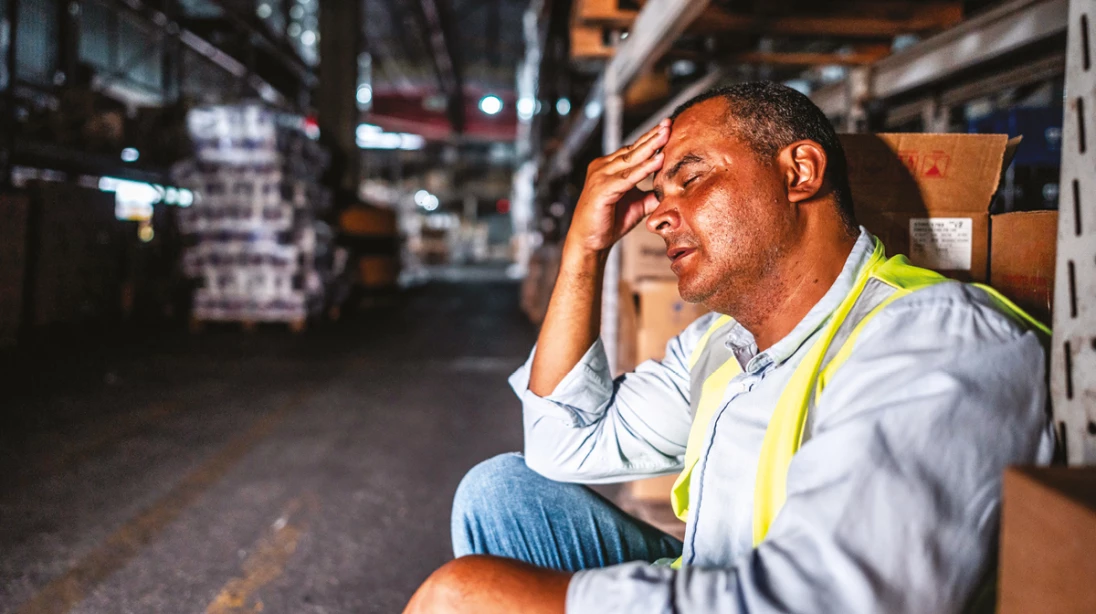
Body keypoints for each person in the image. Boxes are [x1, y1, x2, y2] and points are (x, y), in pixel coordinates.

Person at [403, 82, 1055, 613]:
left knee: (474, 590)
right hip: (718, 576)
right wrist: (585, 246)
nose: (659, 212)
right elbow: (561, 445)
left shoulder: (934, 341)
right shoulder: (727, 343)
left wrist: (525, 601)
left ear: (800, 171)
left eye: (690, 179)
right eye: (657, 194)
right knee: (502, 492)